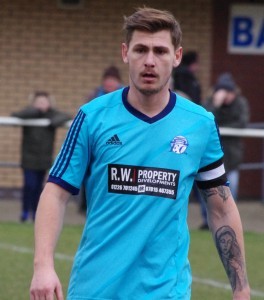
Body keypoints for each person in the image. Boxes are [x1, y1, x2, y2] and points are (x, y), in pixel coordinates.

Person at [30, 7, 250, 300]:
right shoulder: (93, 117)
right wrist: (42, 266)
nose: (149, 61)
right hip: (94, 290)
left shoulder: (200, 124)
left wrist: (241, 288)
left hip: (166, 292)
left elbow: (221, 208)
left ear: (177, 56)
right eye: (140, 50)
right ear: (125, 53)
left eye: (160, 51)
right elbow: (55, 193)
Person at [12, 91, 71, 222]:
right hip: (28, 159)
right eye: (39, 102)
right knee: (29, 186)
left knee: (39, 187)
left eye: (44, 102)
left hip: (44, 160)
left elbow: (66, 116)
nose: (42, 105)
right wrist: (35, 111)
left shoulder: (52, 115)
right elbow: (16, 116)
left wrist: (51, 122)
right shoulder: (29, 115)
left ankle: (35, 213)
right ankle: (25, 212)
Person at [78, 65, 124, 213]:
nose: (109, 84)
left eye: (112, 81)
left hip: (118, 142)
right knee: (90, 172)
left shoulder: (127, 97)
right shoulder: (95, 97)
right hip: (96, 141)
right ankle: (86, 204)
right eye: (107, 80)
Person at [172, 50, 208, 229]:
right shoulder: (187, 80)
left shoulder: (177, 78)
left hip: (180, 134)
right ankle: (205, 217)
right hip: (187, 134)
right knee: (199, 182)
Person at [205, 73, 250, 200]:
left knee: (232, 189)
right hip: (212, 154)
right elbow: (206, 122)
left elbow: (242, 123)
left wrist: (221, 126)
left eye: (229, 91)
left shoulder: (240, 103)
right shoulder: (211, 101)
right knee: (210, 192)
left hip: (232, 155)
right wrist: (216, 105)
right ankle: (206, 219)